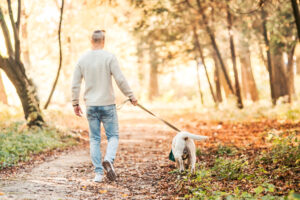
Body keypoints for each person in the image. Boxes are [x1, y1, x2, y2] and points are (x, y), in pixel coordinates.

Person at [71, 30, 137, 182]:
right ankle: (108, 159)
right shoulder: (109, 57)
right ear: (103, 41)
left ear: (91, 41)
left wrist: (75, 103)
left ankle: (98, 174)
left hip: (91, 106)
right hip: (107, 104)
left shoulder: (82, 59)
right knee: (113, 136)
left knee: (94, 139)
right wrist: (131, 95)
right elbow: (120, 79)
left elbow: (75, 84)